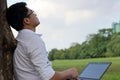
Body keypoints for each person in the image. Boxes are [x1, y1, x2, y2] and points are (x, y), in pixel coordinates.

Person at [6, 2, 79, 80]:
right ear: (27, 20)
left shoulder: (21, 39)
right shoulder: (33, 40)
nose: (35, 14)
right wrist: (70, 72)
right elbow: (49, 77)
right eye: (32, 12)